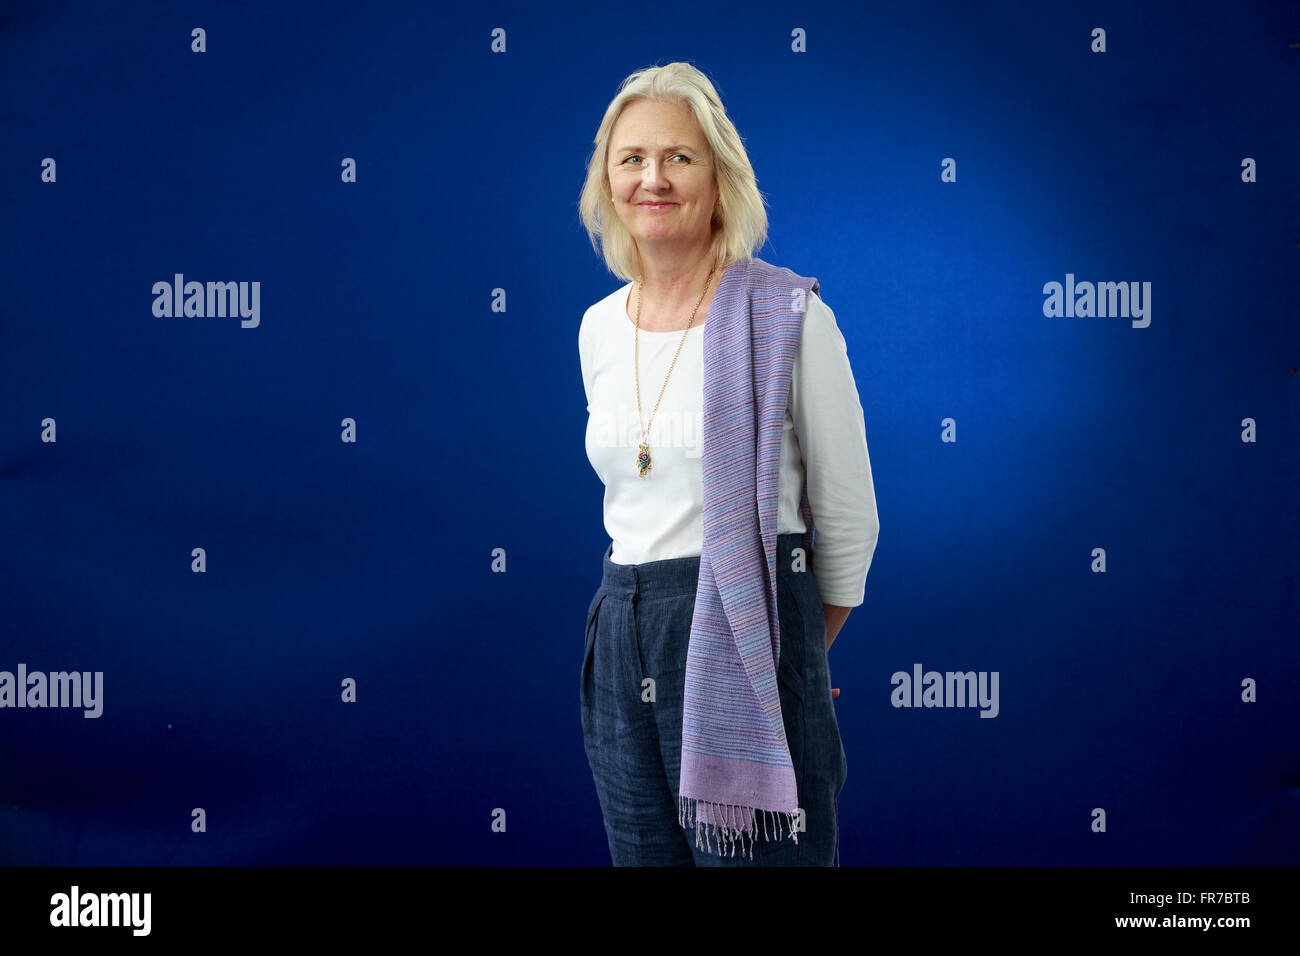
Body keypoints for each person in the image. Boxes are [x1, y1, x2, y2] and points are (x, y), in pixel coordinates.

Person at [576, 61, 880, 866]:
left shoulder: (790, 316)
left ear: (719, 176)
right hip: (621, 631)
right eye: (632, 158)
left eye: (680, 156)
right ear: (607, 180)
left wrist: (786, 657)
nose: (654, 178)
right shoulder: (599, 329)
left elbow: (849, 520)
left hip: (751, 621)